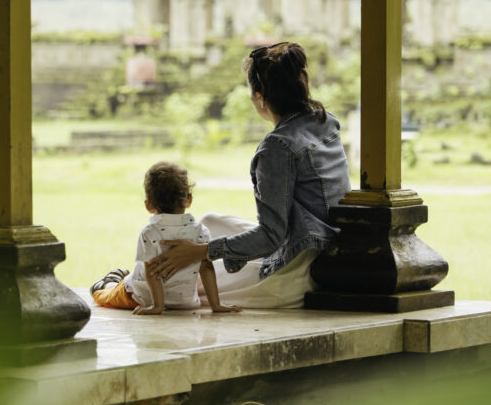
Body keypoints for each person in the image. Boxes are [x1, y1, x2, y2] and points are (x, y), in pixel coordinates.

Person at [147, 42, 351, 308]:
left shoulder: (277, 147)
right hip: (322, 247)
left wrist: (200, 252)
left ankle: (132, 285)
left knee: (200, 293)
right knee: (209, 223)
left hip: (299, 272)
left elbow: (271, 236)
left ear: (260, 97)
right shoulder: (324, 119)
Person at [90, 161, 241, 315]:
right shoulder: (201, 232)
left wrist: (157, 306)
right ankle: (118, 276)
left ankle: (109, 282)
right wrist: (216, 305)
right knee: (128, 280)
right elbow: (207, 268)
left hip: (141, 297)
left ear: (148, 205)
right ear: (189, 199)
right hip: (184, 302)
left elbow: (151, 273)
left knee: (106, 296)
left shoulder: (149, 233)